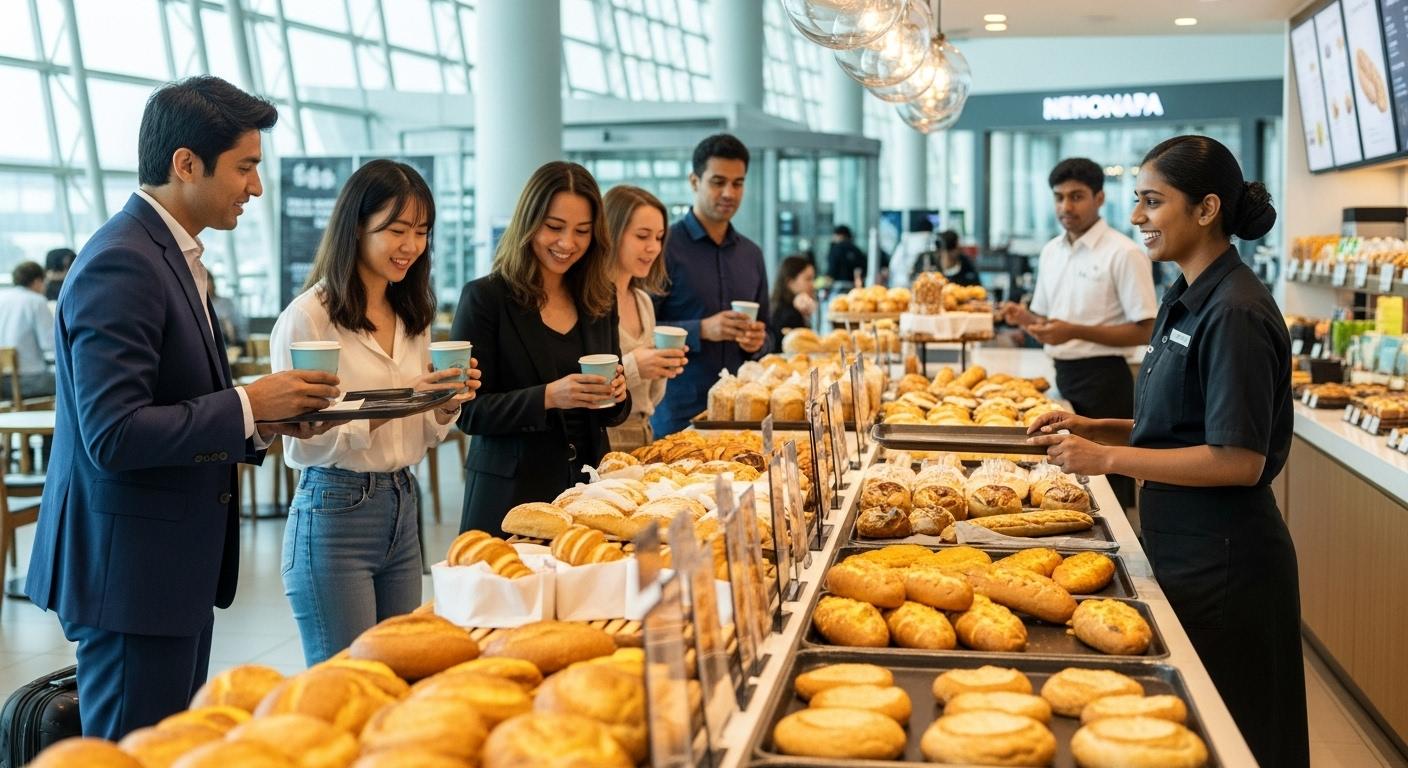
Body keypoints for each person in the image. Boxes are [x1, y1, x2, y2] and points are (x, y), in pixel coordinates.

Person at [25, 75, 339, 741]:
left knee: (171, 746)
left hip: (165, 567)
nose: (255, 187)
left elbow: (174, 402)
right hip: (132, 573)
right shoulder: (124, 262)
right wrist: (248, 404)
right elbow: (113, 433)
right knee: (135, 752)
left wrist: (262, 421)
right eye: (246, 167)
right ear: (186, 164)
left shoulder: (168, 253)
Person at [1028, 135, 1308, 768]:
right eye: (1136, 201)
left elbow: (1238, 459)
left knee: (1235, 741)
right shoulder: (1187, 296)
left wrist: (1106, 460)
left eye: (1152, 202)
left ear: (1206, 209)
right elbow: (1178, 425)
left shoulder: (1235, 310)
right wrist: (1095, 425)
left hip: (1228, 565)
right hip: (1182, 547)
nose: (1136, 218)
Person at [270, 159, 479, 665]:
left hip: (402, 503)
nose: (411, 245)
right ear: (356, 227)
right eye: (396, 230)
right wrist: (404, 398)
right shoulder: (308, 318)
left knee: (397, 675)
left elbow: (424, 433)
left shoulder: (413, 314)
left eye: (422, 232)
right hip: (334, 509)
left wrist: (442, 403)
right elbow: (303, 441)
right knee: (348, 684)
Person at [451, 161, 629, 535]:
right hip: (510, 498)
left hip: (588, 495)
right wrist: (547, 397)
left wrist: (618, 392)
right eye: (554, 227)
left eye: (582, 231)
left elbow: (613, 412)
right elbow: (468, 413)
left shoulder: (600, 298)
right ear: (528, 223)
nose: (568, 243)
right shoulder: (486, 299)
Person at [998, 157, 1156, 509]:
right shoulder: (1051, 251)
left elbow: (1147, 329)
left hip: (1106, 380)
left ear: (1099, 198)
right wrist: (1022, 317)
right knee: (1068, 485)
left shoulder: (1124, 252)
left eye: (1076, 196)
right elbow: (1046, 317)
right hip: (1062, 376)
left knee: (1110, 493)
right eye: (1059, 197)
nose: (1065, 207)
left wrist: (1073, 331)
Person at [652, 133, 768, 436]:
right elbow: (640, 331)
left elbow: (768, 336)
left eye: (738, 183)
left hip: (741, 418)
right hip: (678, 415)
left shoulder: (751, 254)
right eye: (718, 182)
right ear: (694, 181)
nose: (729, 192)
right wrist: (702, 329)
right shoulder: (662, 248)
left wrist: (757, 342)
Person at [603, 185, 686, 452]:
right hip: (603, 440)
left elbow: (650, 398)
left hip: (643, 434)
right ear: (611, 233)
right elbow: (579, 385)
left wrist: (662, 366)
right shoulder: (589, 303)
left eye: (659, 237)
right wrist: (636, 366)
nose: (653, 248)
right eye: (642, 236)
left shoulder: (643, 301)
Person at [0, 261, 56, 397]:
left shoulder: (2, 298)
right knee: (73, 379)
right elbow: (49, 343)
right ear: (37, 281)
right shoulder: (36, 301)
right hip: (30, 380)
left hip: (3, 382)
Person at [769, 254, 817, 349]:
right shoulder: (790, 315)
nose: (813, 285)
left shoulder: (775, 305)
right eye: (808, 279)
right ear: (790, 282)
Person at [887, 216, 934, 287]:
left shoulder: (907, 241)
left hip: (902, 282)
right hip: (919, 283)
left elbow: (893, 264)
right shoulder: (929, 240)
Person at [207, 273, 248, 348]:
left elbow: (229, 326)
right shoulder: (198, 305)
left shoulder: (224, 303)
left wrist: (233, 344)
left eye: (209, 283)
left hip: (227, 342)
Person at [825, 225, 866, 289]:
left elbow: (831, 271)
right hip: (854, 288)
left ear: (839, 235)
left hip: (838, 287)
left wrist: (826, 287)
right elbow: (862, 270)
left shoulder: (835, 249)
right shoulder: (857, 250)